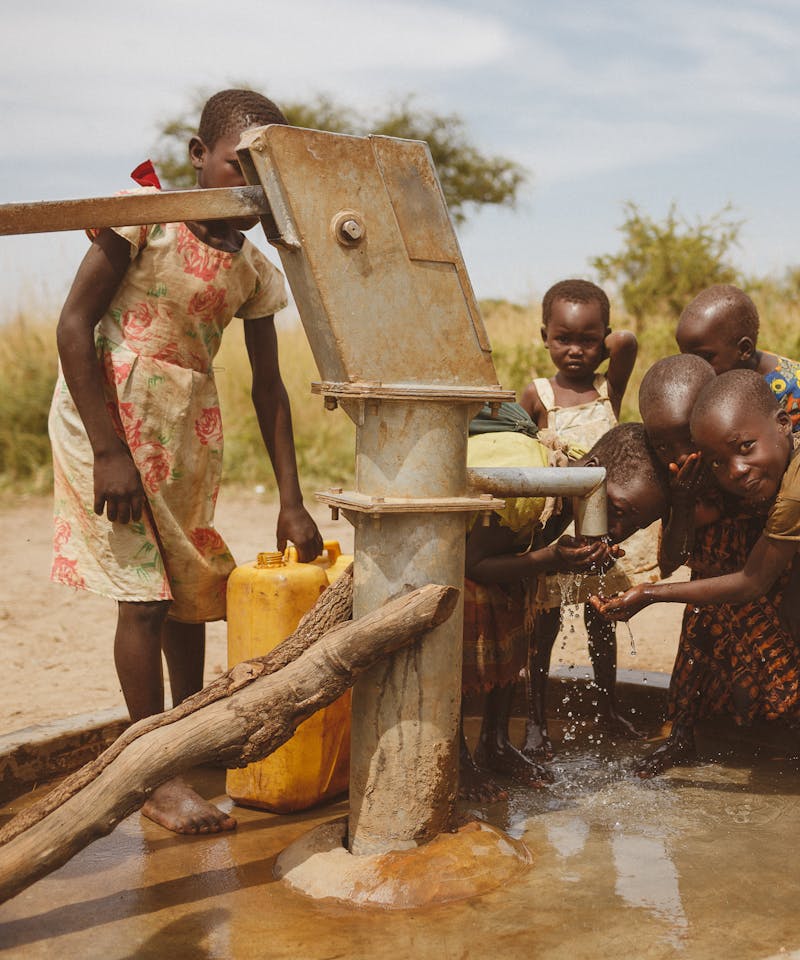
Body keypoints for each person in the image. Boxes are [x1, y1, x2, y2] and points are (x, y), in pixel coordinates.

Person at [49, 89, 323, 834]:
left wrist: (290, 498)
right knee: (142, 594)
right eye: (237, 165)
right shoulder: (144, 219)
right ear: (198, 156)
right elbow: (74, 326)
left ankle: (188, 737)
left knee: (192, 589)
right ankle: (154, 776)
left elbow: (270, 388)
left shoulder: (257, 271)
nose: (247, 187)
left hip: (185, 432)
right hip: (106, 415)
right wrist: (108, 449)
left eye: (264, 174)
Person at [593, 371, 800, 760]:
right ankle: (685, 738)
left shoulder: (756, 470)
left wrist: (651, 595)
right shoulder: (691, 476)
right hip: (711, 593)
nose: (681, 454)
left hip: (759, 582)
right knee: (700, 662)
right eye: (664, 444)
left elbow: (754, 579)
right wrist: (683, 502)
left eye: (686, 440)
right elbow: (672, 560)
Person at [461, 422, 669, 794]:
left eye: (636, 525)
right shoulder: (528, 486)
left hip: (482, 548)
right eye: (618, 511)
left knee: (517, 597)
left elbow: (522, 551)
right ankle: (455, 759)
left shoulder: (576, 474)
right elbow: (472, 565)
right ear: (591, 472)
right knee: (473, 616)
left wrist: (560, 559)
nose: (619, 530)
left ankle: (494, 743)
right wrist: (550, 557)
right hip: (446, 557)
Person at [519, 280, 646, 759]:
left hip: (599, 535)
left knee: (602, 622)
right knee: (543, 629)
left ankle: (608, 706)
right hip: (554, 535)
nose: (574, 351)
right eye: (562, 339)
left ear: (602, 339)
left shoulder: (607, 391)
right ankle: (535, 718)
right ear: (544, 337)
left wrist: (602, 343)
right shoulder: (537, 395)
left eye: (587, 340)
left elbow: (628, 343)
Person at [676, 284, 800, 426]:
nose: (694, 369)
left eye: (706, 357)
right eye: (687, 359)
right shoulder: (706, 384)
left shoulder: (793, 391)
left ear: (744, 350)